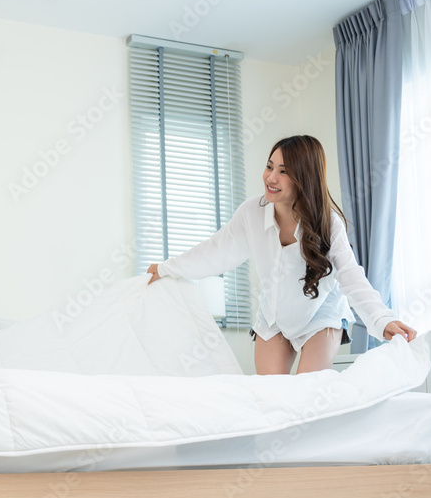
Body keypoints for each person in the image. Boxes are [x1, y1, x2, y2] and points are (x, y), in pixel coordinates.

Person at [147, 134, 416, 375]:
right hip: (273, 317)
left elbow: (350, 276)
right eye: (269, 166)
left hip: (320, 314)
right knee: (272, 399)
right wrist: (167, 268)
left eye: (283, 171)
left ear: (304, 177)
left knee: (305, 394)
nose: (270, 177)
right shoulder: (251, 212)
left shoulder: (328, 223)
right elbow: (215, 251)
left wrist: (383, 319)